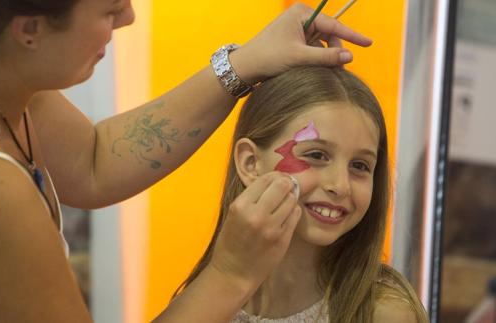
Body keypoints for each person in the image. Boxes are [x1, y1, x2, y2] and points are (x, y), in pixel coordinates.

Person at [0, 0, 373, 321]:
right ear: (29, 29)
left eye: (360, 165)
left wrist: (244, 63)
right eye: (110, 9)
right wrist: (229, 273)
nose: (130, 17)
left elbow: (91, 161)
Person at [175, 66, 430, 322]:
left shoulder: (384, 313)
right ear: (250, 162)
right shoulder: (201, 302)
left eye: (360, 166)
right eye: (316, 155)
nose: (340, 186)